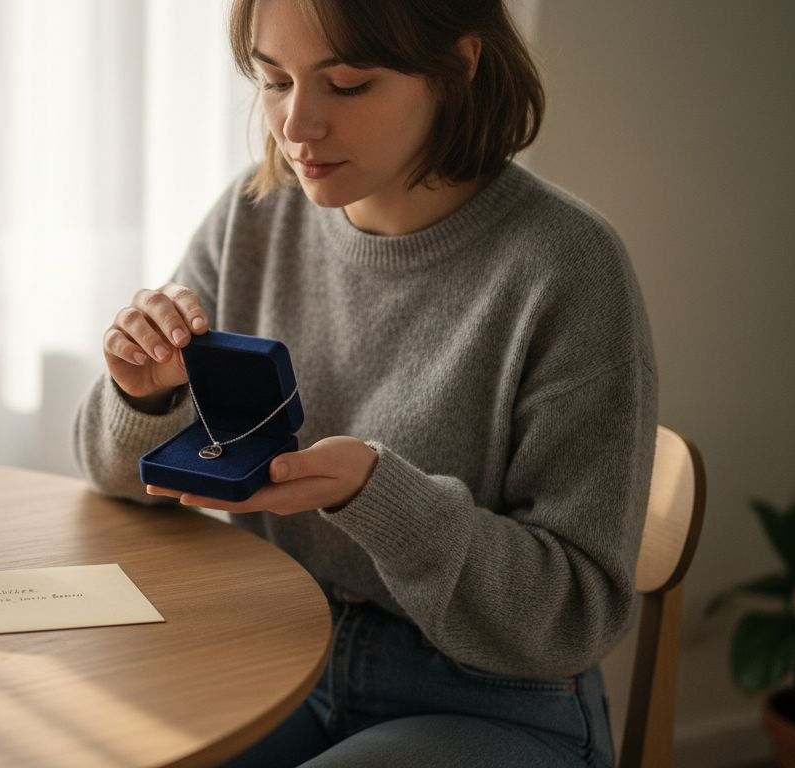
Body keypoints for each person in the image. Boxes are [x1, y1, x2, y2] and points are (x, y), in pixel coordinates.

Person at [72, 0, 655, 765]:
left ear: (458, 66)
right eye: (274, 80)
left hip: (495, 700)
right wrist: (145, 396)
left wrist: (380, 498)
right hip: (281, 654)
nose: (296, 125)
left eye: (347, 84)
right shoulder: (256, 215)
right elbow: (115, 479)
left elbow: (573, 615)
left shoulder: (567, 267)